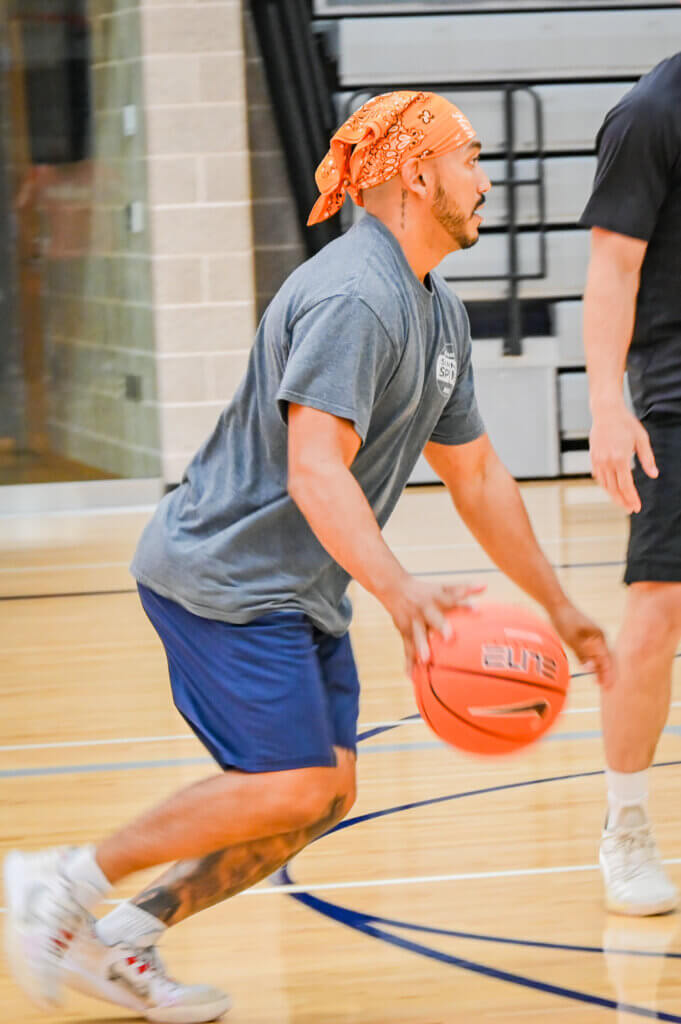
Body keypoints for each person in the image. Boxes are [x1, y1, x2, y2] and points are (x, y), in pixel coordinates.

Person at [5, 91, 612, 1024]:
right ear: (417, 175)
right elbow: (313, 468)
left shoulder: (436, 312)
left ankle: (121, 937)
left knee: (322, 795)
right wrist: (400, 591)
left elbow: (478, 475)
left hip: (297, 589)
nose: (486, 182)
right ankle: (60, 884)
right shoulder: (354, 296)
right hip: (224, 576)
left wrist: (559, 606)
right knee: (288, 781)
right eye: (469, 160)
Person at [580, 53, 681, 916]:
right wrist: (607, 406)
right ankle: (625, 826)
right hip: (676, 400)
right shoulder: (650, 113)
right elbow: (611, 266)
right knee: (658, 608)